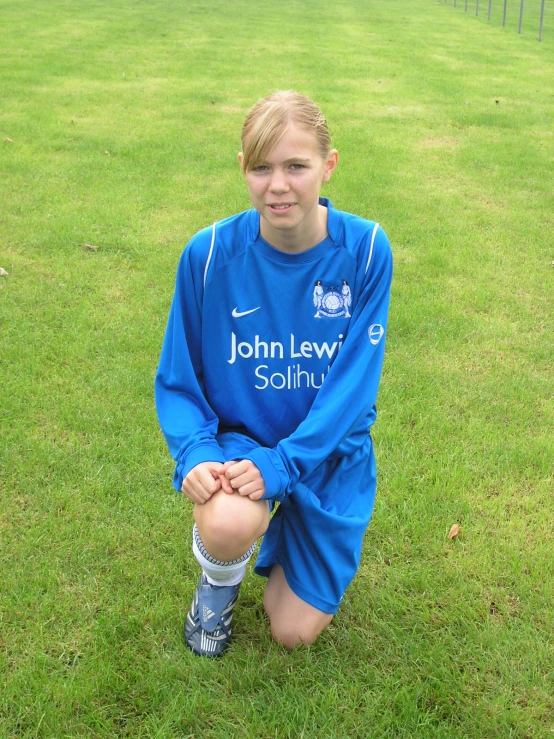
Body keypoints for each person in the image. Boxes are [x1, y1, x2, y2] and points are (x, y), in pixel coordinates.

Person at [155, 91, 393, 657]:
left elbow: (352, 391)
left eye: (296, 166)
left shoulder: (365, 251)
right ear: (243, 168)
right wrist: (194, 452)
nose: (278, 185)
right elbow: (178, 377)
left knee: (291, 631)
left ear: (328, 165)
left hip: (326, 452)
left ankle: (292, 532)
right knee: (229, 521)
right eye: (261, 167)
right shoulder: (208, 254)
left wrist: (284, 464)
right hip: (245, 445)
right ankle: (218, 585)